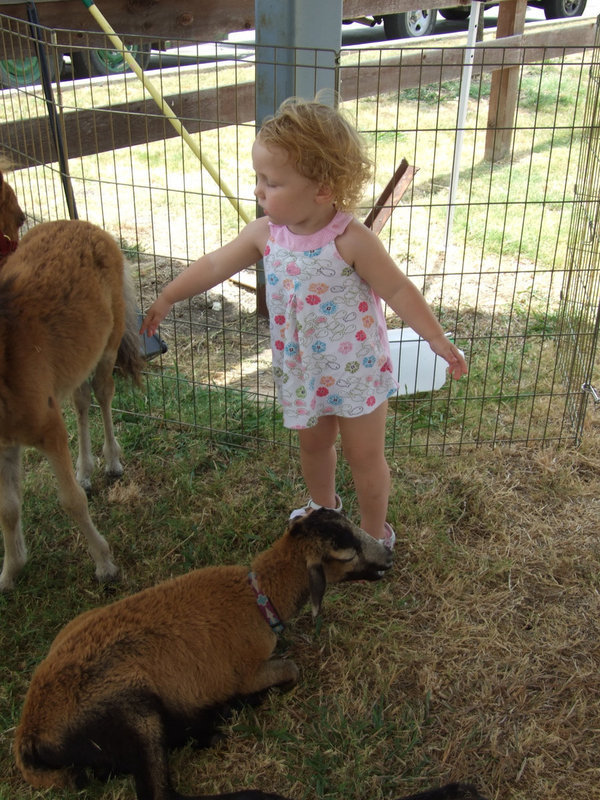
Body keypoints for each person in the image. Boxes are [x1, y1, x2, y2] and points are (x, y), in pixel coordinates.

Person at [140, 97, 468, 549]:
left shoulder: (352, 240)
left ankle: (375, 535)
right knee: (313, 446)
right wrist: (169, 295)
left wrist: (434, 337)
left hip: (356, 372)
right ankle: (323, 507)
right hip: (303, 370)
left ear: (322, 189)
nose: (258, 190)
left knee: (364, 456)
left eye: (271, 182)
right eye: (258, 178)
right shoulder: (265, 234)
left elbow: (397, 290)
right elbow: (216, 264)